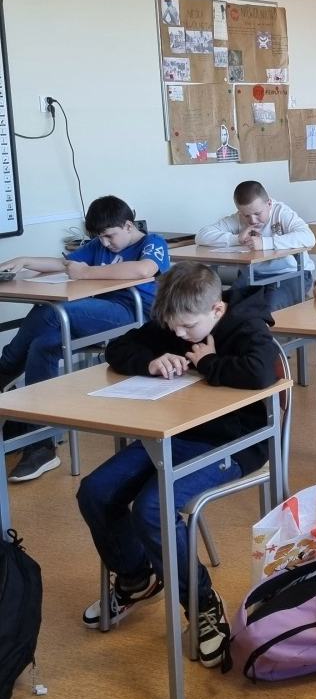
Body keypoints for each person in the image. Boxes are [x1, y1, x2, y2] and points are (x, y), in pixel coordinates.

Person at [77, 263, 278, 668]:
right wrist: (151, 361)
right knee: (95, 491)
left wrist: (208, 362)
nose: (181, 335)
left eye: (188, 327)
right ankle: (137, 579)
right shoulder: (179, 322)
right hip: (176, 434)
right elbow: (119, 348)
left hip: (235, 442)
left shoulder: (247, 325)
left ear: (217, 311)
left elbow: (259, 372)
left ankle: (201, 601)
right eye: (173, 328)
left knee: (153, 507)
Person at [0, 195, 170, 483]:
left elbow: (144, 269)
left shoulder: (152, 242)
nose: (105, 243)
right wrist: (25, 260)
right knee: (43, 344)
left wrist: (88, 272)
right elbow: (64, 264)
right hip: (97, 311)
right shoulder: (98, 245)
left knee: (51, 312)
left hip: (134, 314)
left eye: (109, 235)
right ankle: (42, 444)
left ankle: (5, 368)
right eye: (100, 237)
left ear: (128, 226)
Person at [196, 180, 315, 312]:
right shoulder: (238, 218)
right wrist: (237, 239)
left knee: (269, 308)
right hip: (253, 274)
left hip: (292, 274)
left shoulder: (281, 213)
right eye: (246, 215)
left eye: (258, 214)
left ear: (269, 204)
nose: (252, 220)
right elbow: (201, 236)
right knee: (226, 306)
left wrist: (265, 243)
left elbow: (308, 237)